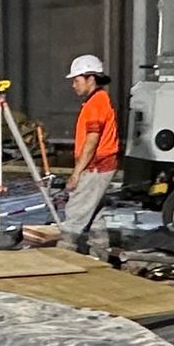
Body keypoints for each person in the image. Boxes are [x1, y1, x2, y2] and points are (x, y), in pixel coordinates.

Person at [61, 54, 120, 251]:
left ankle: (63, 256)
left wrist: (77, 173)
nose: (73, 85)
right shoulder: (98, 100)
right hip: (102, 165)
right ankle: (99, 252)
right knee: (94, 212)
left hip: (96, 167)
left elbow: (92, 141)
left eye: (76, 80)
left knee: (75, 213)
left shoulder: (96, 104)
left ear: (90, 79)